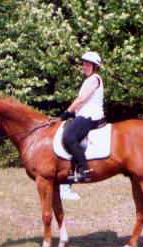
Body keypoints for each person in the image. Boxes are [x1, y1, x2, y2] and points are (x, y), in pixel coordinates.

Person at [60, 51, 105, 182]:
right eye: (83, 64)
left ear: (95, 67)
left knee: (68, 137)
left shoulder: (94, 79)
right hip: (84, 115)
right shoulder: (88, 80)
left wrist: (67, 112)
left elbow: (81, 99)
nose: (84, 67)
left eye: (88, 65)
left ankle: (84, 169)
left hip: (90, 116)